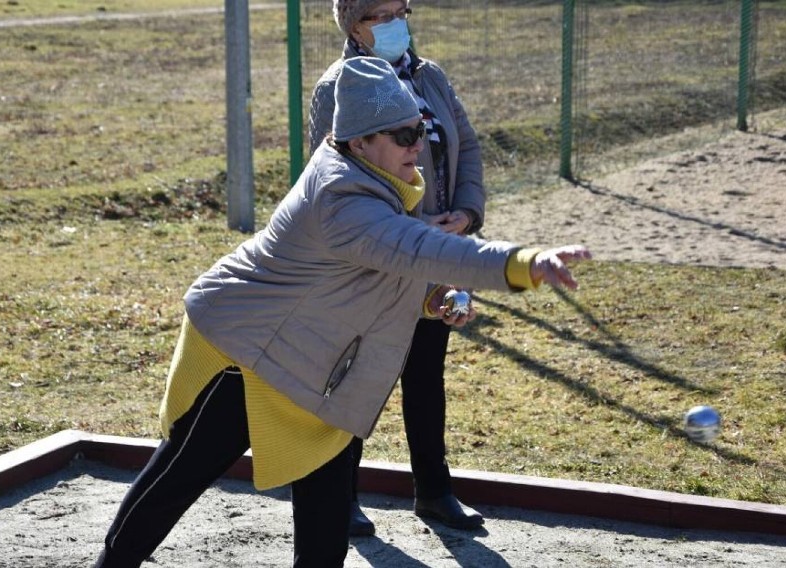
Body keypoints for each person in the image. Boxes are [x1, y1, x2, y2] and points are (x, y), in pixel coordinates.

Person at [93, 56, 590, 568]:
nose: (417, 144)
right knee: (181, 476)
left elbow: (379, 267)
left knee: (326, 509)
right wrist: (524, 263)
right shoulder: (342, 194)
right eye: (400, 134)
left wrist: (430, 299)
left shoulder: (378, 178)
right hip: (243, 347)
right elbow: (421, 249)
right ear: (358, 141)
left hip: (313, 363)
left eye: (419, 128)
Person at [309, 0, 489, 534]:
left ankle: (434, 492)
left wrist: (467, 212)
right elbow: (330, 175)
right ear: (354, 25)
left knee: (426, 377)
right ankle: (336, 497)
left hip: (435, 259)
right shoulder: (337, 85)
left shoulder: (429, 76)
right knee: (359, 379)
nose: (396, 24)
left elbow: (468, 147)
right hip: (375, 261)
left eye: (401, 10)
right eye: (381, 14)